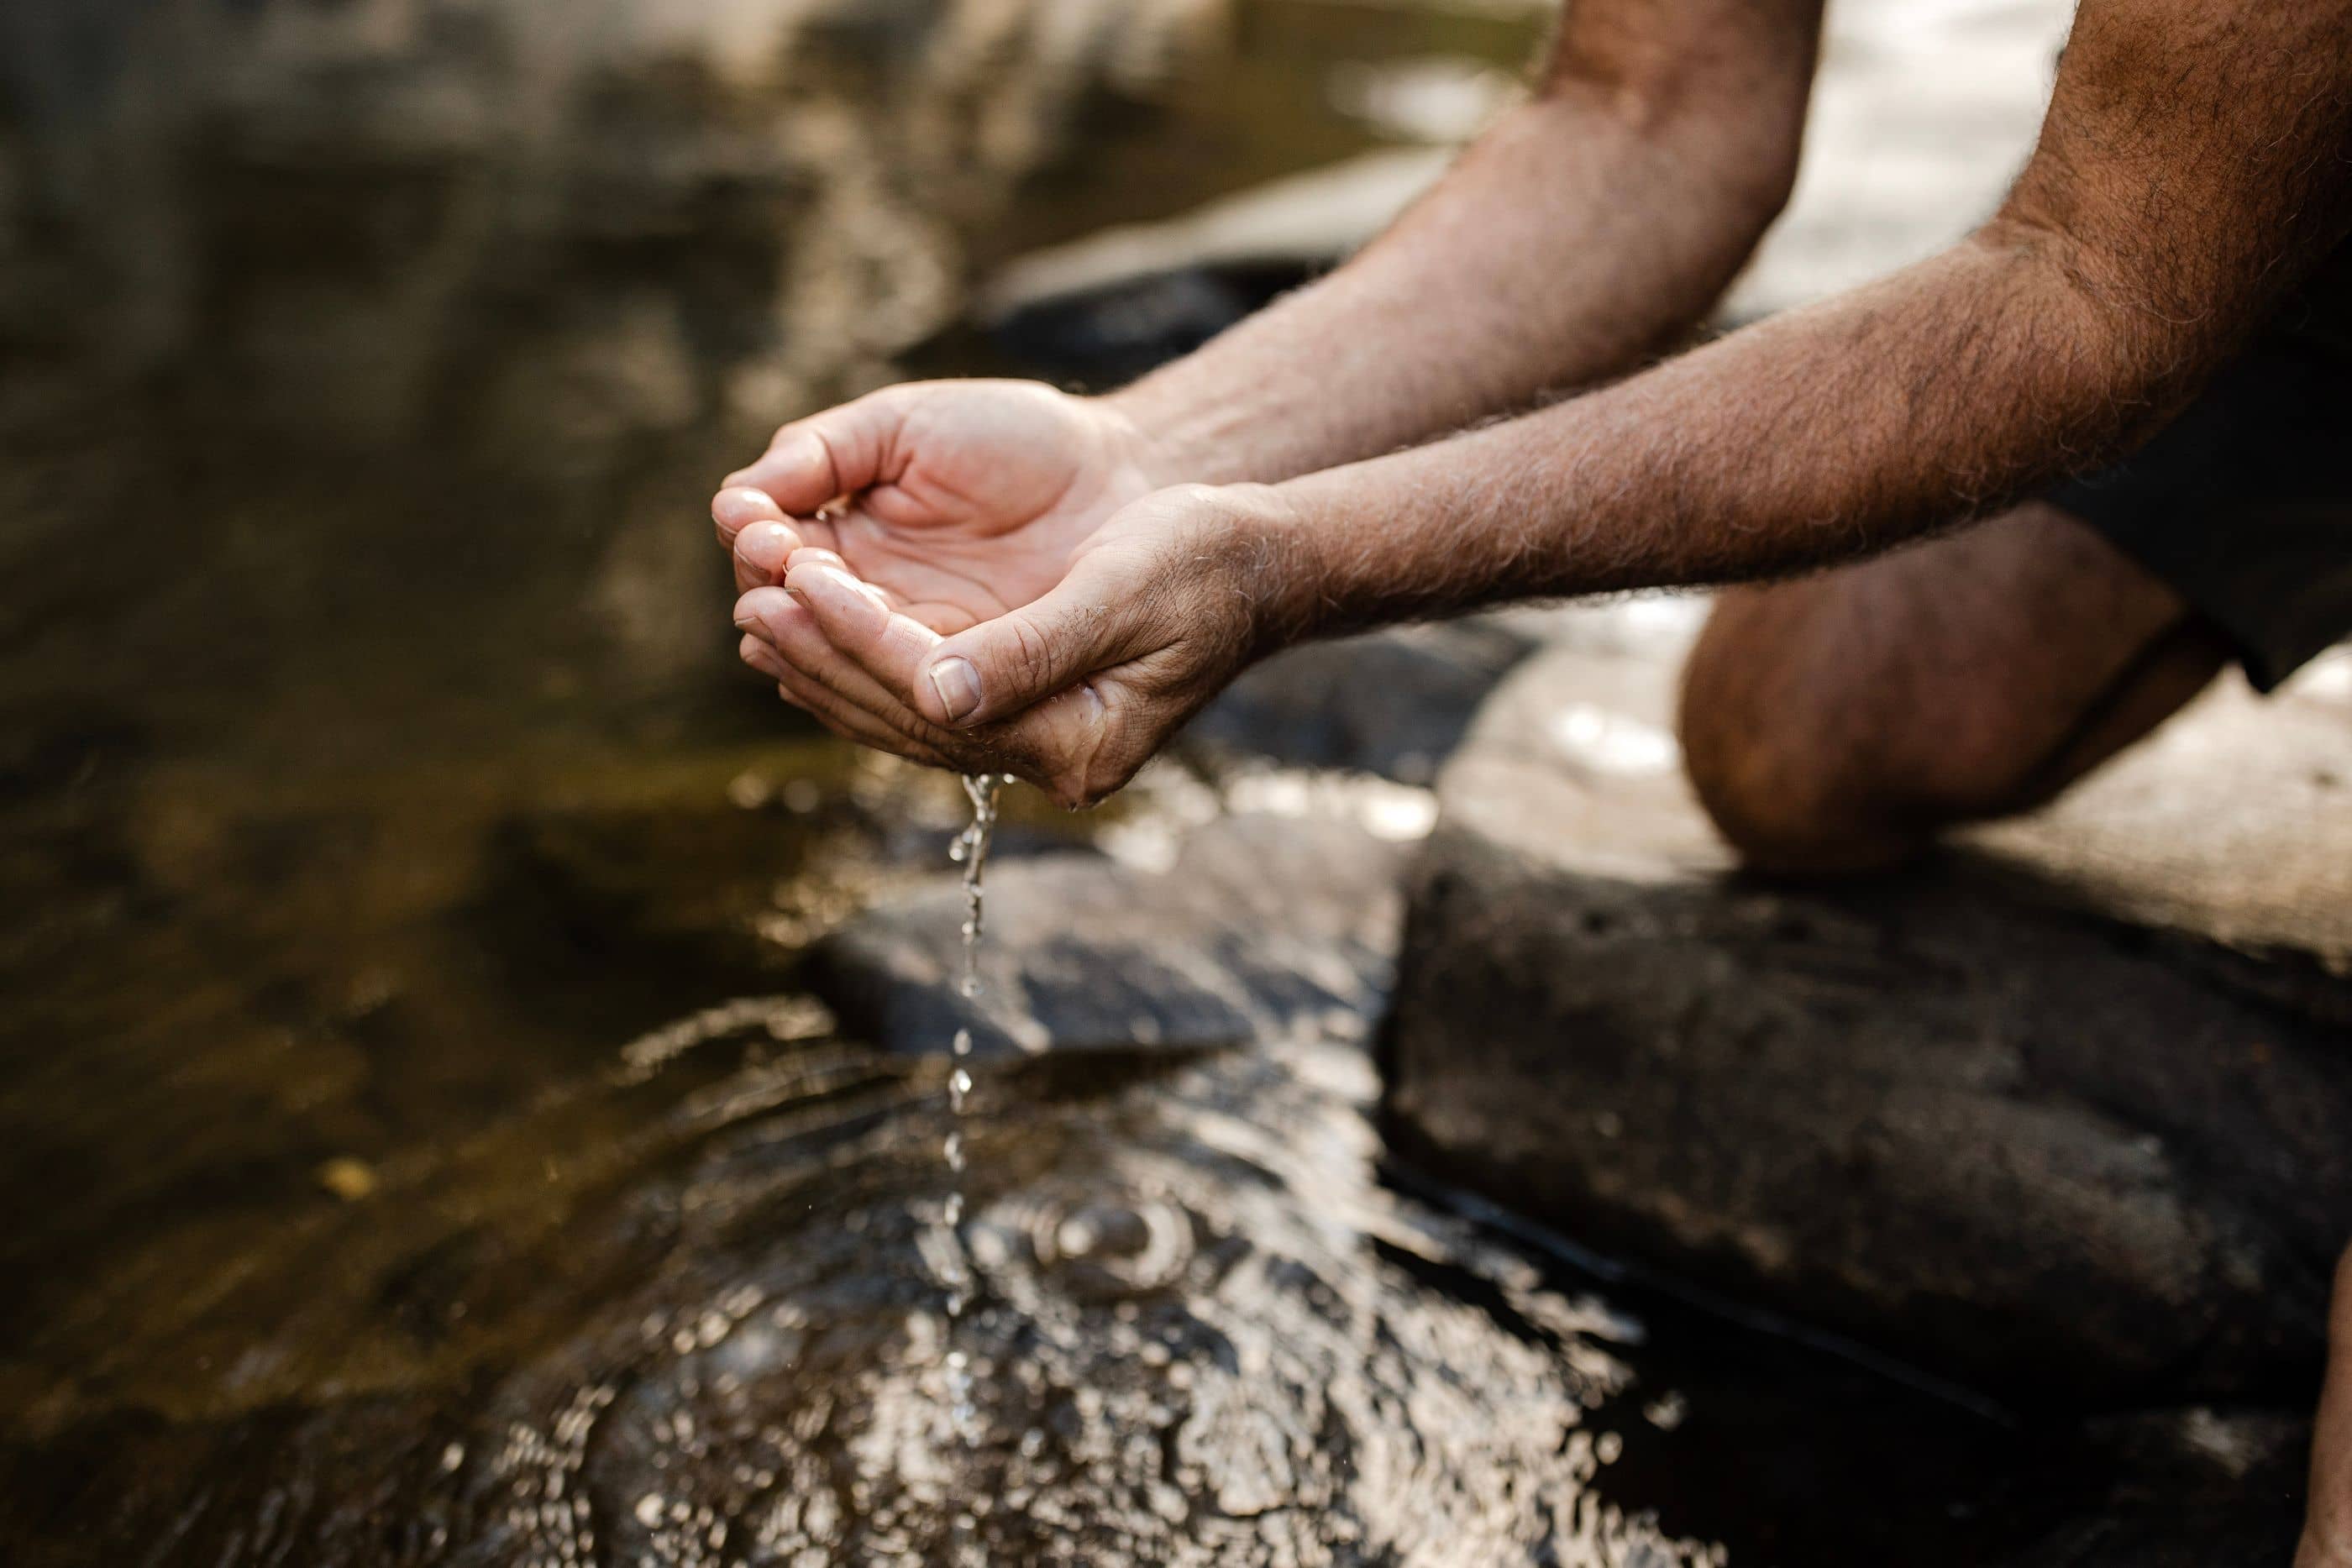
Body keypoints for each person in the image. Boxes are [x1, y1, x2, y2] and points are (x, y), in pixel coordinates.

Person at [713, 0, 2352, 1555]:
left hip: (2151, 223)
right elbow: (1639, 119)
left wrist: (1293, 568)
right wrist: (1149, 455)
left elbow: (2084, 293)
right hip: (2253, 200)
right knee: (1802, 743)